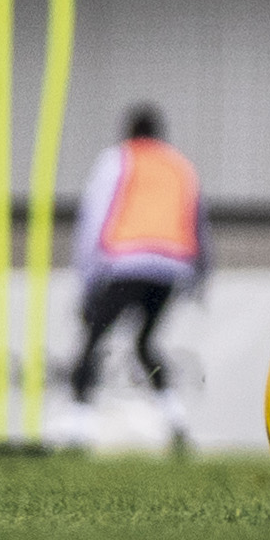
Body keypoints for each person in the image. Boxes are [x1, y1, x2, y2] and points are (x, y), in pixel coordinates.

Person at [67, 103, 207, 412]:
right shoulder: (180, 166)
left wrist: (88, 281)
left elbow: (95, 218)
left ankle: (78, 420)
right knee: (145, 344)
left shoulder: (117, 160)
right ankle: (174, 415)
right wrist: (200, 278)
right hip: (171, 269)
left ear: (128, 132)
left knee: (93, 341)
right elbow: (199, 223)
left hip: (126, 265)